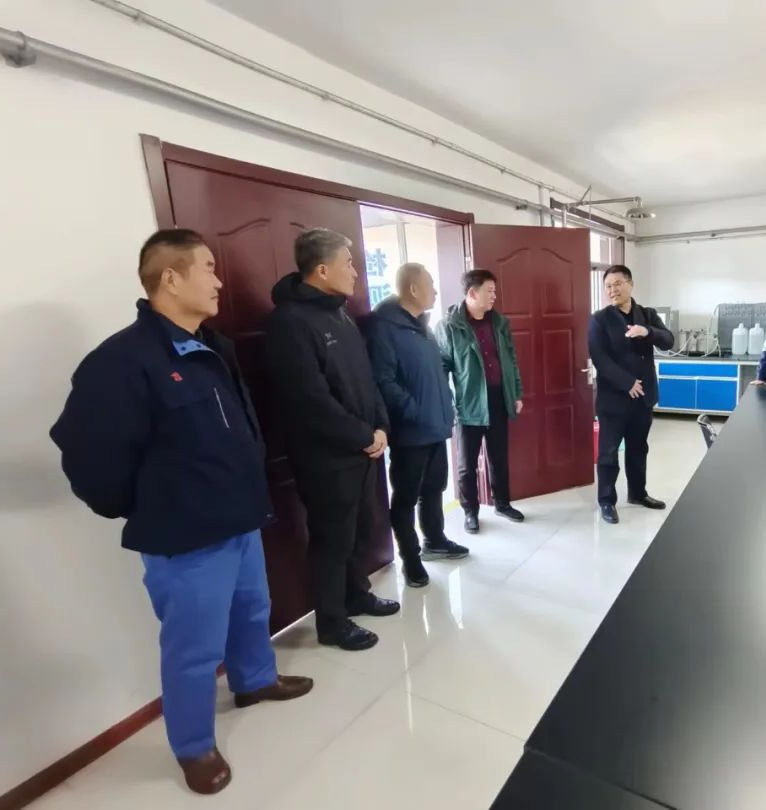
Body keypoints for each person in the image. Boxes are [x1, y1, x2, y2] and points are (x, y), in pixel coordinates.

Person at [50, 229, 313, 796]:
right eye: (208, 268)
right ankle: (193, 746)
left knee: (252, 610)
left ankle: (255, 680)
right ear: (170, 278)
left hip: (241, 517)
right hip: (185, 536)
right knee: (193, 648)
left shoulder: (214, 347)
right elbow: (86, 453)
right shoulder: (121, 361)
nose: (219, 280)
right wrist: (137, 507)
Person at [263, 228, 400, 654]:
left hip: (363, 449)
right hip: (326, 457)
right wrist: (362, 435)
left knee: (359, 530)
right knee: (332, 539)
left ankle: (356, 594)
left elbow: (366, 379)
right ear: (322, 270)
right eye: (348, 263)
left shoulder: (340, 314)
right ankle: (331, 621)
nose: (356, 272)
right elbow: (310, 399)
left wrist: (381, 426)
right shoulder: (289, 322)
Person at [368, 263, 468, 588]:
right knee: (406, 497)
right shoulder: (385, 327)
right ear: (413, 289)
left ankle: (435, 541)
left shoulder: (422, 327)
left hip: (435, 427)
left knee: (434, 488)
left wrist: (445, 407)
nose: (436, 292)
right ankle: (410, 559)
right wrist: (415, 410)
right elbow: (383, 380)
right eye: (430, 285)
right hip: (411, 432)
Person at [436, 269, 525, 535]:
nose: (494, 296)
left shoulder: (499, 323)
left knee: (499, 457)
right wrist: (448, 403)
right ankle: (470, 511)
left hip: (498, 398)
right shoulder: (449, 326)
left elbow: (511, 360)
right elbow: (442, 367)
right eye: (490, 291)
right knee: (467, 465)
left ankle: (502, 504)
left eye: (494, 291)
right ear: (472, 293)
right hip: (469, 403)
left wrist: (516, 393)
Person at [588, 264, 675, 525]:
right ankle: (606, 500)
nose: (612, 290)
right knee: (608, 452)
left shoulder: (647, 315)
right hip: (613, 399)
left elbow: (668, 340)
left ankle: (638, 493)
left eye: (617, 284)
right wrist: (627, 383)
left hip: (642, 398)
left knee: (638, 449)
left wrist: (647, 331)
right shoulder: (599, 319)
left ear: (630, 284)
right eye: (608, 286)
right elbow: (600, 358)